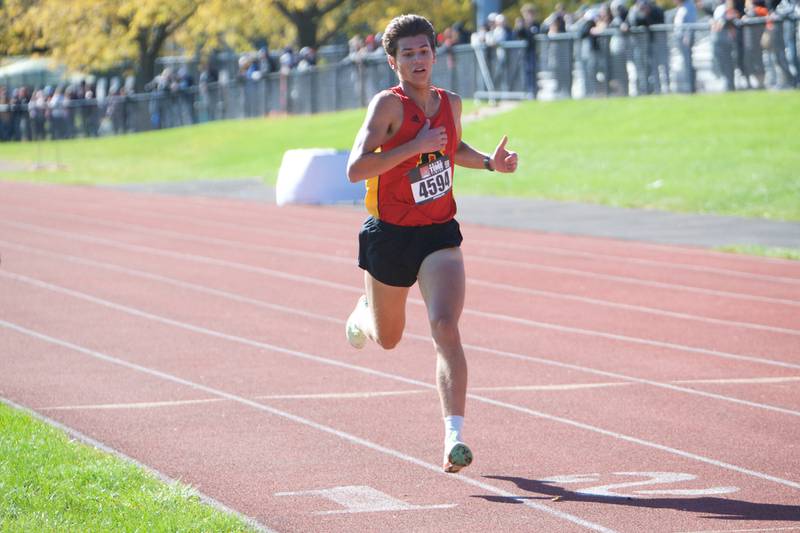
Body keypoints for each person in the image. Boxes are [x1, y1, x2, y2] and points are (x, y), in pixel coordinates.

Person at [344, 14, 518, 474]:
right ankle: (363, 312)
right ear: (392, 61)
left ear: (435, 54)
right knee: (389, 339)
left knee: (445, 326)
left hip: (439, 231)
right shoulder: (387, 106)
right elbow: (356, 168)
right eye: (408, 54)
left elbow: (450, 148)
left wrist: (488, 164)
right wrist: (412, 145)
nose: (418, 60)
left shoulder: (451, 102)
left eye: (424, 51)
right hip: (390, 235)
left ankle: (453, 438)